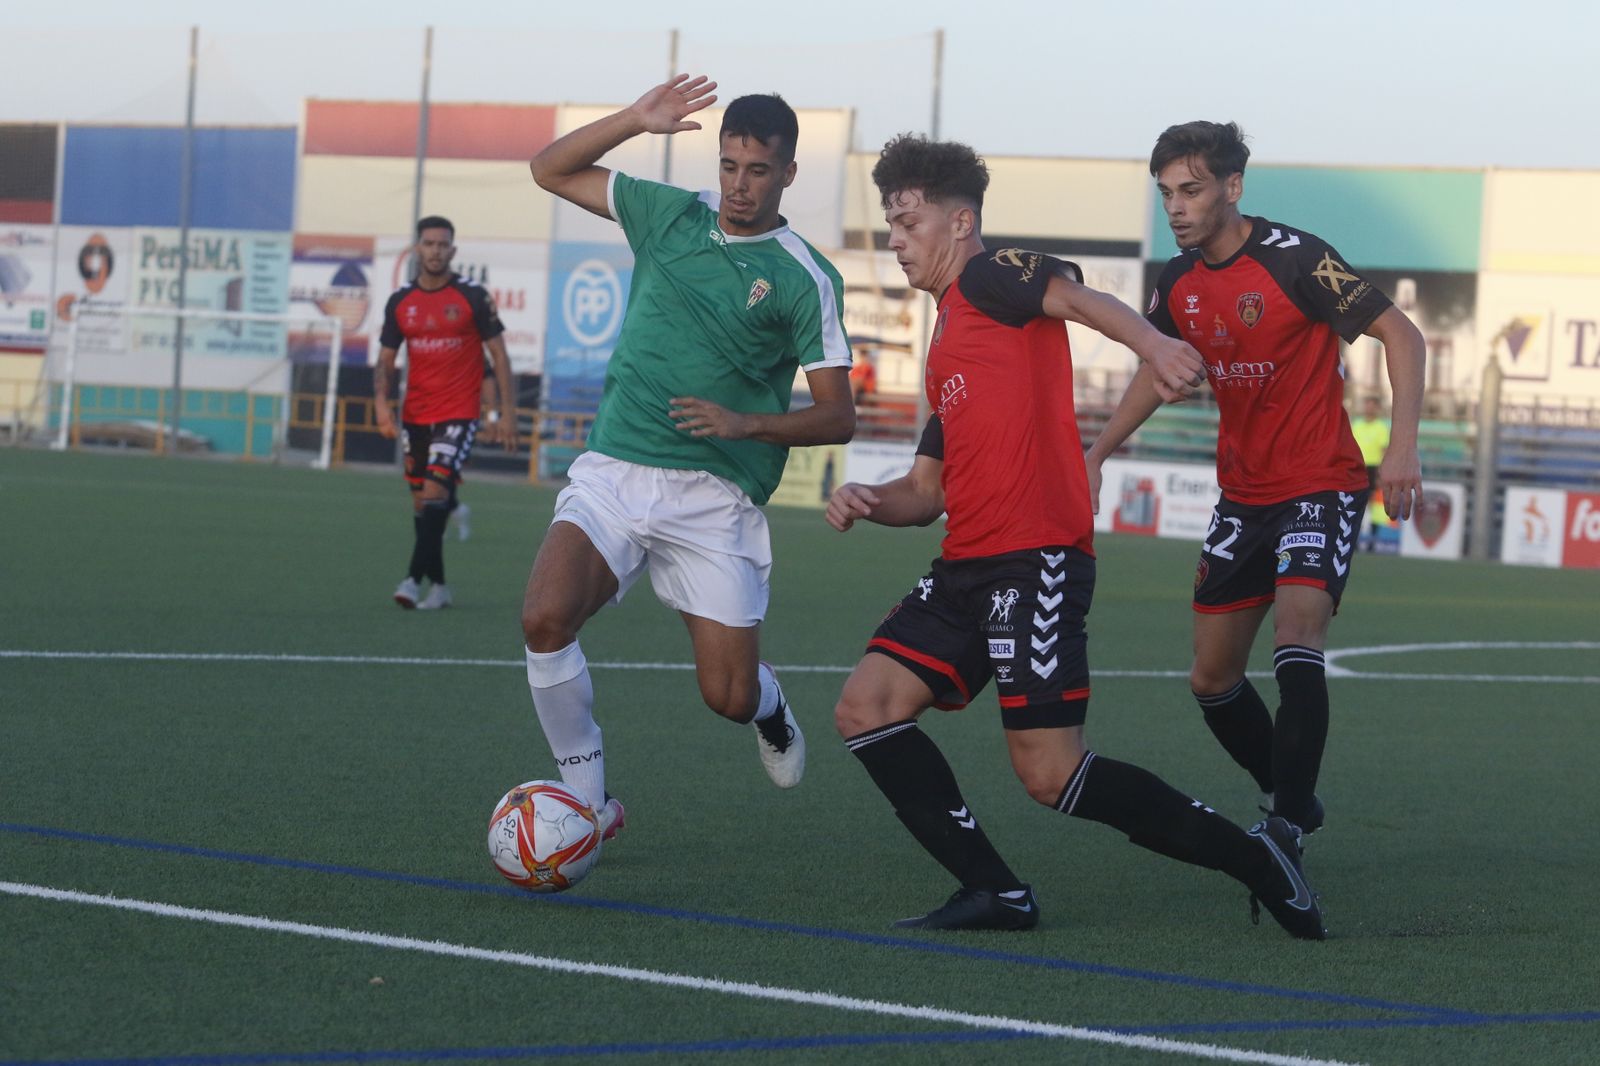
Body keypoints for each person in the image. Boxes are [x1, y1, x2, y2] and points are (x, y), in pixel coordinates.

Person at [826, 133, 1324, 939]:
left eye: (909, 223)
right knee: (866, 708)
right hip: (965, 568)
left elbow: (1075, 297)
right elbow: (924, 493)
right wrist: (866, 499)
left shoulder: (992, 274)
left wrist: (1155, 344)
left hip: (1034, 563)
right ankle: (997, 893)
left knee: (1051, 774)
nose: (896, 240)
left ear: (960, 222)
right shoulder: (948, 339)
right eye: (891, 224)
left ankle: (1258, 861)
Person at [522, 76, 855, 840]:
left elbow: (839, 416)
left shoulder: (805, 277)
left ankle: (770, 707)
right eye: (730, 166)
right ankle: (590, 805)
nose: (740, 185)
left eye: (758, 171)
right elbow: (548, 170)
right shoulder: (668, 213)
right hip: (616, 468)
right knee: (544, 617)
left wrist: (746, 423)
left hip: (714, 493)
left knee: (727, 697)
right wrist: (634, 120)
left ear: (788, 173)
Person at [1085, 121, 1425, 841]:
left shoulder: (1297, 257)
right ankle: (1288, 791)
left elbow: (1402, 333)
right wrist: (1098, 453)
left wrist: (1402, 448)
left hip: (1321, 481)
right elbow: (1158, 369)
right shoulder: (1178, 280)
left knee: (1297, 638)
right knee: (1211, 680)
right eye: (1166, 193)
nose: (1175, 207)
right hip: (1243, 494)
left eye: (1191, 190)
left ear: (1233, 187)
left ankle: (1285, 831)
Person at [374, 216, 516, 609]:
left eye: (442, 244)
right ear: (417, 249)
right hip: (415, 415)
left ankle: (410, 580)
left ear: (452, 250)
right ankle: (439, 587)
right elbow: (385, 360)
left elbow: (499, 355)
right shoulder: (401, 301)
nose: (435, 251)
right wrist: (382, 406)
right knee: (423, 504)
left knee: (436, 491)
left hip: (458, 413)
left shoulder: (472, 296)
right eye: (429, 244)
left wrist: (504, 414)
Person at [1351, 395, 1392, 551]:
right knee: (1355, 504)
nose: (1369, 408)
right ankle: (1354, 540)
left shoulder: (1381, 427)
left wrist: (1381, 473)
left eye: (1372, 405)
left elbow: (1384, 450)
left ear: (1377, 408)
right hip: (1357, 467)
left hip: (1373, 469)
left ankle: (1372, 541)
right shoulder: (1357, 425)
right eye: (1367, 404)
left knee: (1374, 506)